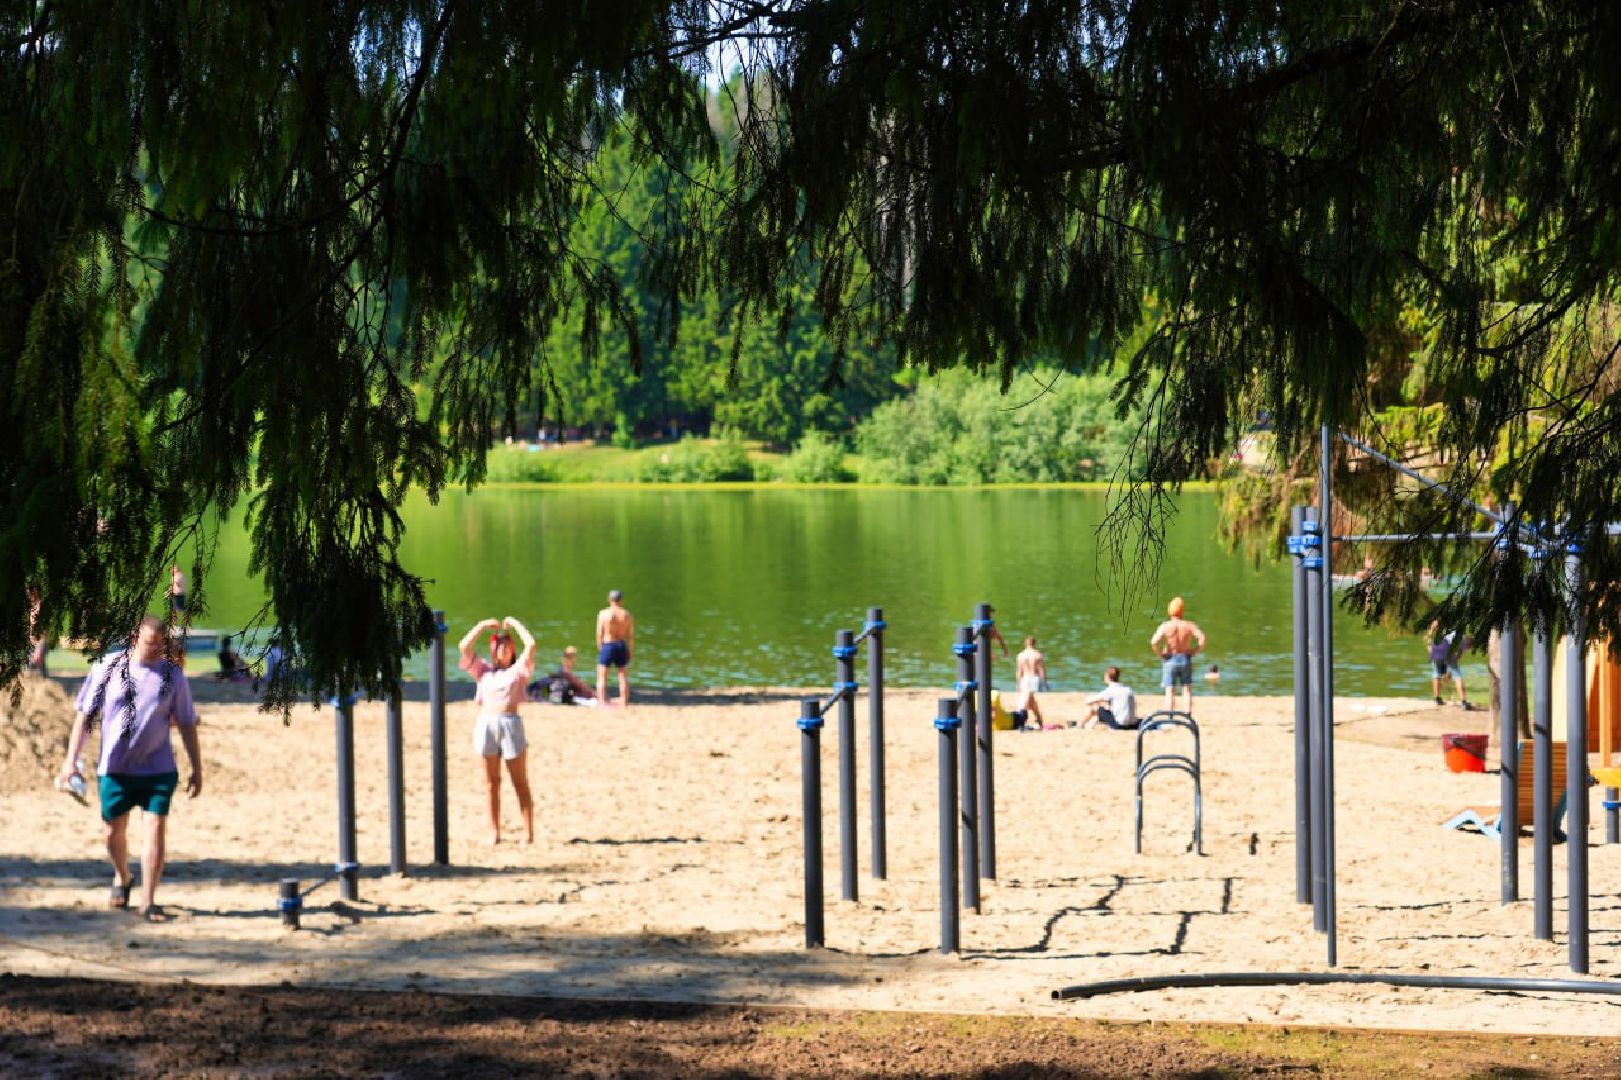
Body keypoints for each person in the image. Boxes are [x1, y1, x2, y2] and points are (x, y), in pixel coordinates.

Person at [57, 616, 203, 922]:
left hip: (158, 769)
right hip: (114, 767)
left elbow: (187, 724)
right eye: (147, 643)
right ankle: (123, 876)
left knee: (155, 829)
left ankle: (148, 901)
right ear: (135, 637)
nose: (152, 650)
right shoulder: (106, 668)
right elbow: (85, 717)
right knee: (113, 832)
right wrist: (71, 760)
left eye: (158, 644)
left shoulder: (172, 675)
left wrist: (196, 767)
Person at [460, 616, 537, 844]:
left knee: (519, 782)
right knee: (491, 783)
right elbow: (464, 646)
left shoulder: (519, 671)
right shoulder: (483, 670)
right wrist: (483, 626)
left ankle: (528, 833)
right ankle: (495, 832)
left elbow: (531, 645)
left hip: (510, 724)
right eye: (497, 644)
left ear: (513, 649)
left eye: (506, 644)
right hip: (487, 725)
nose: (502, 648)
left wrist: (515, 623)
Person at [1149, 596, 1207, 714]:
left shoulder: (1165, 626)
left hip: (1170, 658)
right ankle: (1187, 714)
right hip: (1185, 658)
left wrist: (1161, 654)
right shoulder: (1189, 625)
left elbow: (1154, 642)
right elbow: (1202, 639)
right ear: (1182, 611)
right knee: (1187, 689)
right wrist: (1195, 651)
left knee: (1170, 690)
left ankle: (1170, 715)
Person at [596, 589, 635, 707]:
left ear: (609, 600)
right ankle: (624, 701)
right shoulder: (627, 615)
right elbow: (631, 636)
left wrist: (600, 647)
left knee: (602, 676)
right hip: (621, 645)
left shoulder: (603, 614)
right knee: (622, 676)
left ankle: (602, 701)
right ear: (621, 601)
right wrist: (631, 651)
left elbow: (599, 634)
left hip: (608, 644)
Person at [529, 646, 598, 706]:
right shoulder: (565, 670)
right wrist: (594, 693)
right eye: (574, 657)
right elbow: (578, 684)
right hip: (562, 694)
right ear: (573, 657)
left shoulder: (562, 668)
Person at [1429, 622, 1474, 709]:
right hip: (1446, 650)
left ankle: (1437, 699)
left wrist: (1430, 632)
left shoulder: (1451, 629)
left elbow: (1435, 623)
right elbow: (1457, 658)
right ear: (1470, 644)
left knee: (1437, 673)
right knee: (1457, 675)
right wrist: (1451, 670)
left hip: (1437, 648)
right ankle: (1464, 702)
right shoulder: (1464, 641)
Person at [1014, 636, 1048, 729]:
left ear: (1026, 643)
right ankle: (1038, 718)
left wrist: (1018, 683)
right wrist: (1045, 682)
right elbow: (1041, 670)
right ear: (1034, 643)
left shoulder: (1020, 655)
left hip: (1025, 678)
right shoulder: (1037, 654)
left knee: (1028, 699)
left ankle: (1022, 718)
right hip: (1034, 678)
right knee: (1030, 699)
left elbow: (1019, 671)